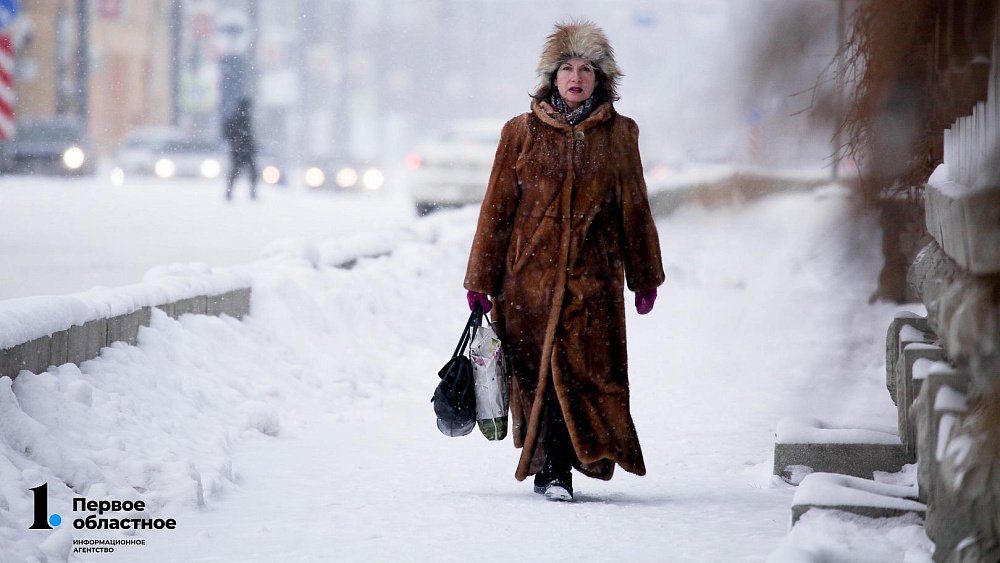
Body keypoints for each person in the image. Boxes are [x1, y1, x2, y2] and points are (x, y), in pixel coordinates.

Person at [464, 20, 664, 502]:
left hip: (593, 284)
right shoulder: (520, 132)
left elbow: (634, 208)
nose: (576, 77)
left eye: (587, 69)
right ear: (552, 77)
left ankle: (574, 458)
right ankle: (552, 469)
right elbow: (496, 209)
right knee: (539, 378)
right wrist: (481, 280)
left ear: (601, 79)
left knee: (583, 375)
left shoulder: (619, 135)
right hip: (527, 283)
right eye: (567, 68)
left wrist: (644, 276)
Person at [223, 97, 258, 201]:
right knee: (245, 173)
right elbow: (230, 132)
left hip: (241, 150)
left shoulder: (241, 117)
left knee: (237, 172)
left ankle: (230, 192)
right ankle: (248, 193)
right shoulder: (240, 117)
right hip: (241, 150)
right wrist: (238, 142)